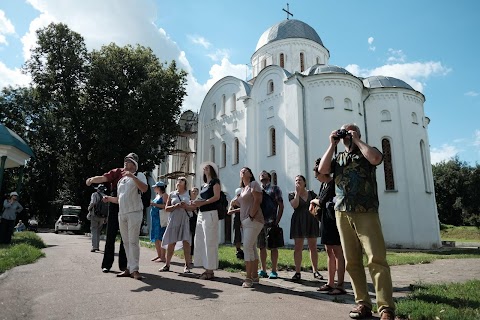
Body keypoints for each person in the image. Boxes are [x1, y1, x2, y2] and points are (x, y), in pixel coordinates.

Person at [318, 123, 395, 320]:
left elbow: (377, 159)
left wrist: (357, 140)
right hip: (342, 212)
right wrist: (332, 144)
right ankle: (362, 303)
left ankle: (386, 307)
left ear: (358, 134)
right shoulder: (338, 157)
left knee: (376, 258)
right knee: (352, 261)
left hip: (366, 211)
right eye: (344, 132)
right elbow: (322, 171)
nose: (347, 135)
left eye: (351, 131)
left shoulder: (367, 151)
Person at [102, 153, 147, 280]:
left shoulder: (139, 175)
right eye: (125, 161)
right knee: (126, 242)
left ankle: (135, 270)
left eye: (128, 161)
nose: (125, 163)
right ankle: (128, 268)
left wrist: (132, 176)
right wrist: (109, 199)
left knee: (133, 241)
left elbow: (144, 189)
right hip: (122, 213)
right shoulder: (121, 180)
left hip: (134, 212)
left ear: (134, 164)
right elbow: (120, 199)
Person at [310, 158, 346, 295]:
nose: (316, 178)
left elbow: (322, 200)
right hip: (325, 220)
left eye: (317, 175)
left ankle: (340, 284)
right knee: (329, 251)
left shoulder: (332, 183)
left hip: (334, 221)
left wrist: (313, 201)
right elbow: (320, 199)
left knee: (338, 252)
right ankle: (330, 283)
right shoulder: (324, 185)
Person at [234, 167, 264, 288]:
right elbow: (244, 204)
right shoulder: (242, 189)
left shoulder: (253, 184)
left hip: (254, 220)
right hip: (246, 221)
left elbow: (257, 200)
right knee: (251, 247)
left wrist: (250, 216)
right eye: (241, 170)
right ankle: (255, 276)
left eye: (245, 170)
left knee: (246, 247)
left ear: (250, 174)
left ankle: (248, 278)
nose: (242, 171)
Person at [288, 175, 322, 281]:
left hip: (311, 220)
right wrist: (297, 193)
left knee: (313, 246)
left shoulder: (311, 194)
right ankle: (297, 272)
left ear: (304, 182)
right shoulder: (292, 194)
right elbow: (295, 205)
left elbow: (318, 204)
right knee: (298, 246)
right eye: (296, 180)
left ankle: (315, 270)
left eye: (300, 180)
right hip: (298, 220)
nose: (298, 182)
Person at [191, 162, 221, 280]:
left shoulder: (215, 182)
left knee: (209, 241)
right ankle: (206, 268)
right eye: (204, 168)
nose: (205, 168)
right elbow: (201, 199)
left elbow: (216, 197)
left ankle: (210, 270)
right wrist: (195, 203)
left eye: (208, 167)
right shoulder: (203, 185)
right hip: (201, 214)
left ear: (212, 170)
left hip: (210, 213)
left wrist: (203, 202)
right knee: (200, 240)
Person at [160, 177, 194, 273]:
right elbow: (166, 208)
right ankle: (167, 264)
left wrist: (186, 206)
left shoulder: (189, 193)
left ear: (185, 183)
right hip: (174, 220)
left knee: (186, 242)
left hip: (184, 220)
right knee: (171, 242)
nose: (179, 181)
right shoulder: (172, 194)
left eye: (182, 180)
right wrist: (175, 206)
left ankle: (187, 265)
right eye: (178, 180)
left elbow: (193, 207)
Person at [257, 170, 284, 279]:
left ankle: (273, 270)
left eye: (264, 173)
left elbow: (281, 205)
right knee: (261, 247)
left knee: (273, 247)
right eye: (260, 174)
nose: (262, 175)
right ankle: (263, 269)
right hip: (260, 222)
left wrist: (277, 221)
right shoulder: (258, 190)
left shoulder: (275, 189)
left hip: (271, 222)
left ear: (269, 177)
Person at [150, 181, 168, 262]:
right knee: (156, 237)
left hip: (161, 218)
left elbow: (166, 206)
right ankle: (159, 255)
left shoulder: (165, 195)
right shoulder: (157, 196)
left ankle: (163, 256)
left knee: (161, 237)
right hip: (155, 218)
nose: (154, 188)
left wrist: (155, 205)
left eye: (156, 187)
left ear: (160, 188)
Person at [87, 184, 108, 252]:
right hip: (103, 217)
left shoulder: (95, 194)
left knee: (94, 230)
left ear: (98, 189)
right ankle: (97, 246)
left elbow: (93, 202)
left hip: (95, 215)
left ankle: (94, 247)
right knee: (98, 231)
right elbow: (108, 208)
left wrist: (89, 209)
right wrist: (106, 218)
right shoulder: (106, 196)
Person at [227, 187, 244, 260]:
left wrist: (240, 208)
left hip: (244, 218)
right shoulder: (233, 201)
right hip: (237, 219)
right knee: (237, 235)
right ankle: (238, 250)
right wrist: (238, 209)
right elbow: (229, 212)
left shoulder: (244, 200)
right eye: (238, 195)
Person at [188, 187, 199, 260]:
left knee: (195, 239)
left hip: (196, 221)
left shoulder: (199, 202)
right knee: (189, 239)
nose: (194, 192)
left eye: (195, 191)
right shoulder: (187, 201)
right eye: (193, 191)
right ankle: (189, 257)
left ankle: (196, 257)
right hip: (188, 220)